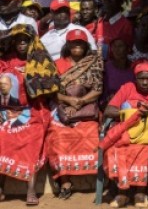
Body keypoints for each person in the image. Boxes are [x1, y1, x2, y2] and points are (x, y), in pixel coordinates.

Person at [103, 60, 148, 208]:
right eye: (141, 78)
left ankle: (140, 192)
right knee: (114, 151)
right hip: (125, 133)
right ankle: (122, 192)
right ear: (135, 79)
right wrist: (132, 113)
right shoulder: (127, 88)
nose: (144, 82)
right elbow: (109, 110)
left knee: (146, 151)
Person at [0, 24, 56, 205]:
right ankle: (0, 188)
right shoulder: (6, 62)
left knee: (32, 143)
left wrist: (33, 78)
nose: (22, 44)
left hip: (33, 111)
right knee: (2, 139)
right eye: (18, 40)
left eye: (26, 40)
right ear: (13, 42)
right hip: (6, 111)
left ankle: (30, 190)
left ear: (33, 42)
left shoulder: (41, 61)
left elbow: (50, 88)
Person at [46, 29, 103, 199]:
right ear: (68, 45)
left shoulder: (93, 63)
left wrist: (80, 102)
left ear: (86, 46)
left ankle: (93, 180)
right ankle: (65, 181)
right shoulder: (57, 64)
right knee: (58, 135)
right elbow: (50, 90)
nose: (77, 46)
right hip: (61, 106)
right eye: (74, 43)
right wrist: (68, 101)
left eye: (81, 43)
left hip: (85, 107)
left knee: (91, 132)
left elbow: (97, 89)